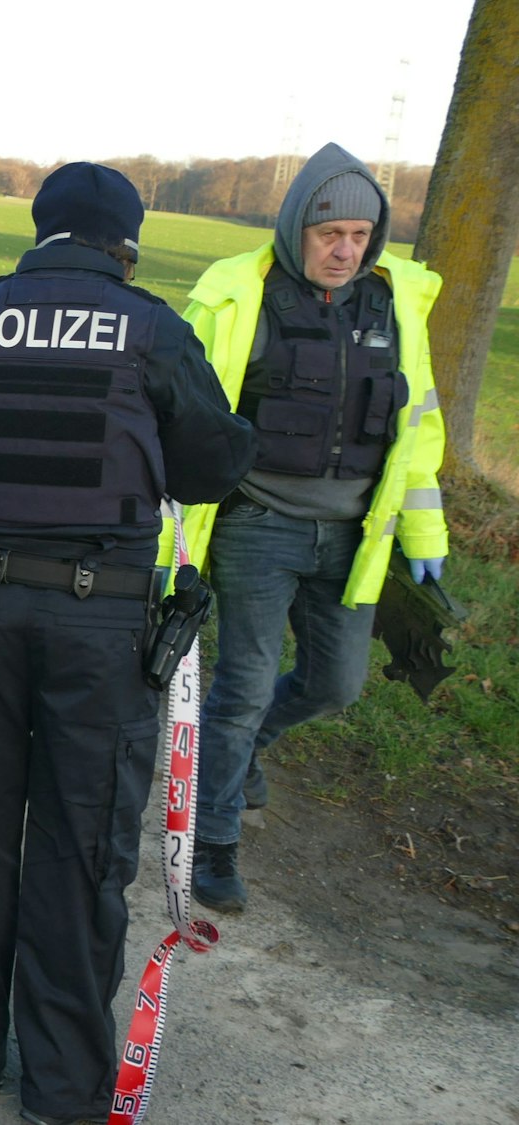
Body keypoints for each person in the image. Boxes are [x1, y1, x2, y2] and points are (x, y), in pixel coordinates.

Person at [0, 162, 256, 1125]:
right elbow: (209, 468)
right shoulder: (150, 327)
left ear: (40, 231)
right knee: (80, 845)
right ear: (127, 244)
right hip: (99, 626)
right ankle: (66, 1085)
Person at [178, 143, 447, 915]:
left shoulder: (396, 305)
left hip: (356, 536)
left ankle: (247, 748)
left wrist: (424, 543)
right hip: (258, 527)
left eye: (362, 235)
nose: (346, 250)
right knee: (242, 685)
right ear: (297, 228)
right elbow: (185, 419)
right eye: (331, 233)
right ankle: (215, 840)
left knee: (337, 683)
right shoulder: (238, 297)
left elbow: (417, 434)